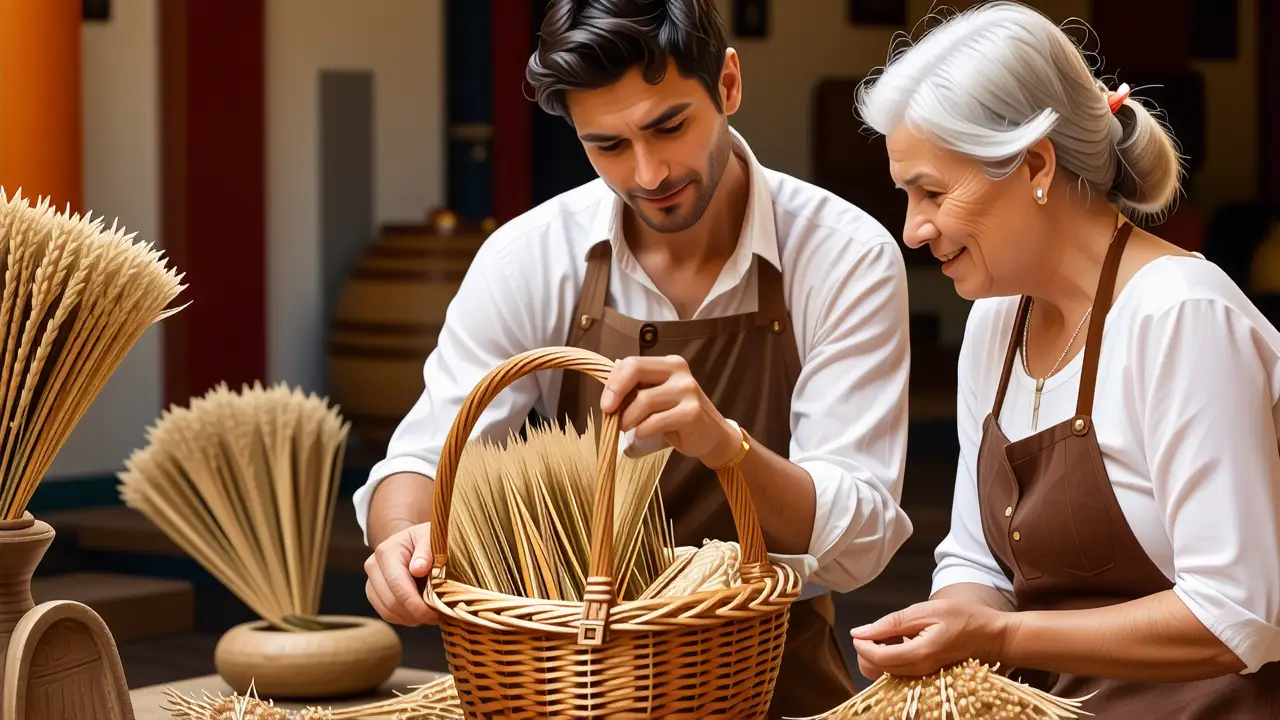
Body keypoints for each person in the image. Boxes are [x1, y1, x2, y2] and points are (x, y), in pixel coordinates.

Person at [353, 0, 915, 716]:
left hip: (774, 671)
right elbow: (427, 459)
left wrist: (724, 446)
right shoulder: (529, 257)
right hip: (571, 677)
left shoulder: (844, 256)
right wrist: (403, 539)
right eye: (608, 145)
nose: (648, 173)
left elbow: (859, 535)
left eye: (669, 127)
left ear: (729, 84)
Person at [844, 2, 1280, 716]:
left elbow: (1236, 615)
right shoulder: (996, 320)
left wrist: (999, 635)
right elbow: (975, 559)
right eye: (907, 195)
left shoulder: (1181, 317)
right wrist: (943, 630)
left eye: (932, 192)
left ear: (1035, 165)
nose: (913, 230)